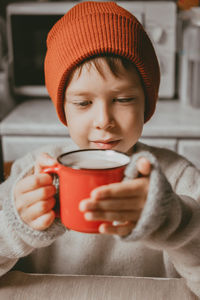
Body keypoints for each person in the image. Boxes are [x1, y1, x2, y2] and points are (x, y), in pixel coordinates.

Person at [0, 1, 200, 297]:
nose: (104, 121)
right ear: (63, 109)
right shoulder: (30, 173)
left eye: (123, 99)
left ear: (147, 101)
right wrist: (16, 227)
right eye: (83, 103)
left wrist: (172, 220)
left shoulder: (178, 176)